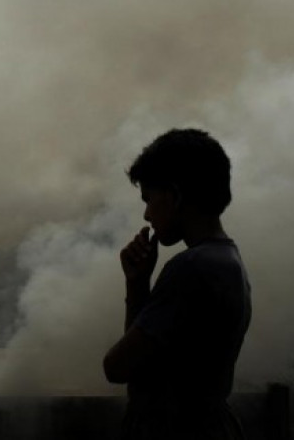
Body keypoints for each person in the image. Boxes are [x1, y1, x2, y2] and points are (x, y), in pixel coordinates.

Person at [103, 128, 251, 440]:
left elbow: (118, 368)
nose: (146, 215)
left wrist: (136, 290)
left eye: (149, 200)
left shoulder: (190, 268)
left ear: (173, 195)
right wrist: (138, 282)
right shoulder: (228, 260)